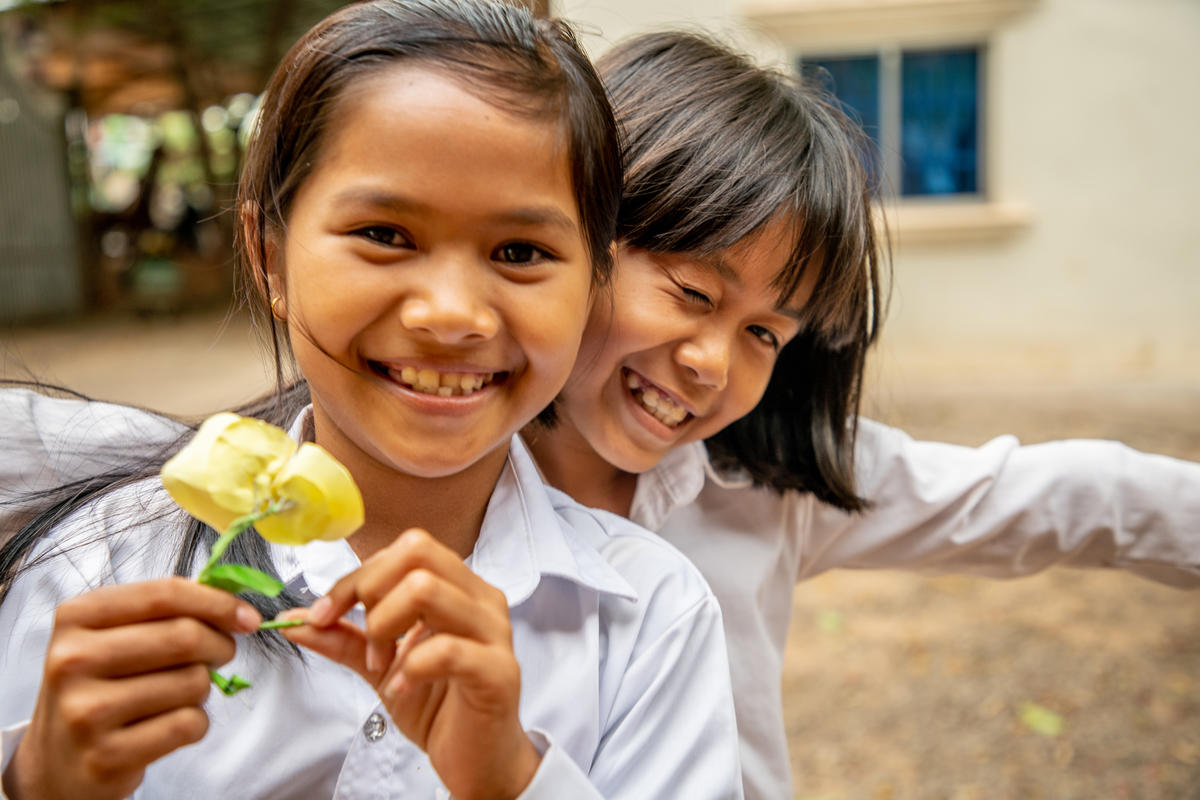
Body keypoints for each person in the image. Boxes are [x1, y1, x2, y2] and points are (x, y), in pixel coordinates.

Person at [0, 5, 743, 800]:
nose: (453, 312)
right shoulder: (98, 569)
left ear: (594, 285)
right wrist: (42, 781)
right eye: (386, 234)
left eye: (520, 253)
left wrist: (511, 780)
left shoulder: (649, 618)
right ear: (270, 257)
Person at [519, 31, 1200, 800]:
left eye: (764, 333)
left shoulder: (767, 479)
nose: (712, 363)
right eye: (694, 293)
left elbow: (1044, 496)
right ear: (572, 234)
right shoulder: (445, 479)